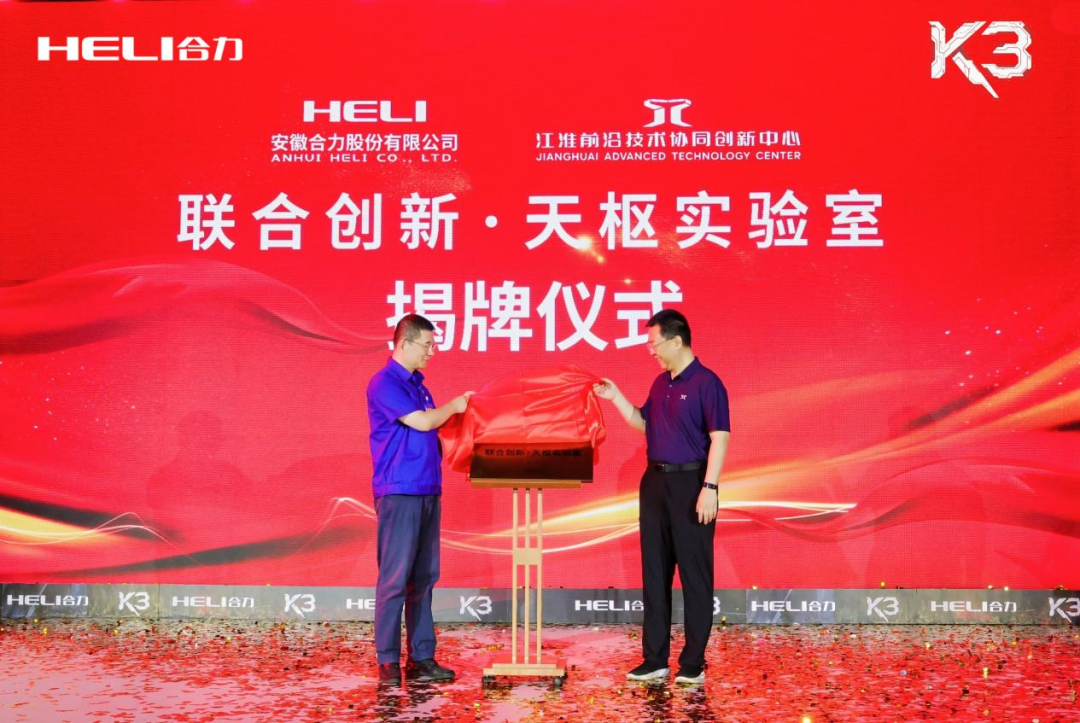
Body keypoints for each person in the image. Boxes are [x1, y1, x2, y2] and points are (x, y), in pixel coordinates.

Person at [593, 309, 730, 685]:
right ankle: (655, 659)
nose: (651, 350)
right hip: (654, 484)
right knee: (654, 573)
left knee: (694, 575)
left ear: (676, 341)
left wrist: (710, 487)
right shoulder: (660, 383)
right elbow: (644, 423)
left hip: (692, 484)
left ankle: (693, 662)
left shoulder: (707, 383)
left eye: (654, 343)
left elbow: (720, 437)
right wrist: (615, 397)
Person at [366, 313, 473, 684]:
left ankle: (422, 657)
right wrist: (455, 406)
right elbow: (423, 422)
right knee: (395, 579)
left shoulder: (419, 386)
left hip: (428, 487)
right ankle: (388, 661)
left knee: (424, 577)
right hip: (400, 490)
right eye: (427, 344)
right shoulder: (385, 382)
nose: (432, 351)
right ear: (404, 343)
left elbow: (434, 424)